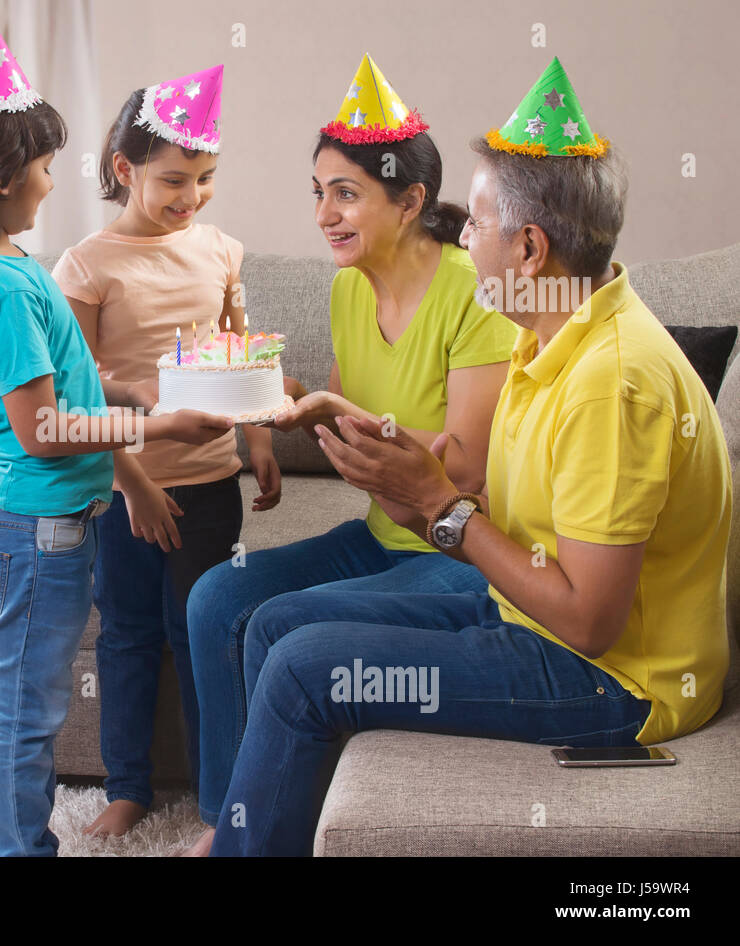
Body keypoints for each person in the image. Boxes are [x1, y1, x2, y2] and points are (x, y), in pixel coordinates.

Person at [212, 57, 732, 856]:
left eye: (477, 225)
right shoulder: (550, 336)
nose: (461, 235)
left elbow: (590, 624)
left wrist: (443, 512)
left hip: (614, 681)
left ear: (527, 248)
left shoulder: (612, 383)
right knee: (273, 622)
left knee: (302, 667)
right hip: (521, 608)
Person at [0, 18, 233, 857]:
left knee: (30, 698)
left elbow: (61, 388)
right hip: (33, 523)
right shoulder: (2, 289)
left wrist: (124, 389)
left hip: (35, 516)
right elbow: (45, 428)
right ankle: (22, 848)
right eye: (44, 166)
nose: (54, 183)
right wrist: (154, 422)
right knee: (27, 708)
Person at [184, 55, 516, 854]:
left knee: (281, 622)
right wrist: (260, 392)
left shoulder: (476, 293)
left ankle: (263, 833)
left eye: (346, 193)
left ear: (408, 202)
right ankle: (223, 819)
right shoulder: (347, 286)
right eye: (319, 193)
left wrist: (331, 411)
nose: (325, 214)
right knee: (213, 601)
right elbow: (346, 424)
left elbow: (463, 469)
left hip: (456, 549)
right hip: (378, 534)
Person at [52, 66, 282, 837]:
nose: (193, 197)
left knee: (203, 634)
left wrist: (257, 436)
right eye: (176, 180)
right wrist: (135, 484)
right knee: (126, 634)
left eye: (207, 178)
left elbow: (238, 349)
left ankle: (220, 797)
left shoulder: (219, 250)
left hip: (210, 484)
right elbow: (80, 402)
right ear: (126, 170)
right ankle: (128, 786)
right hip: (122, 490)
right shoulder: (86, 267)